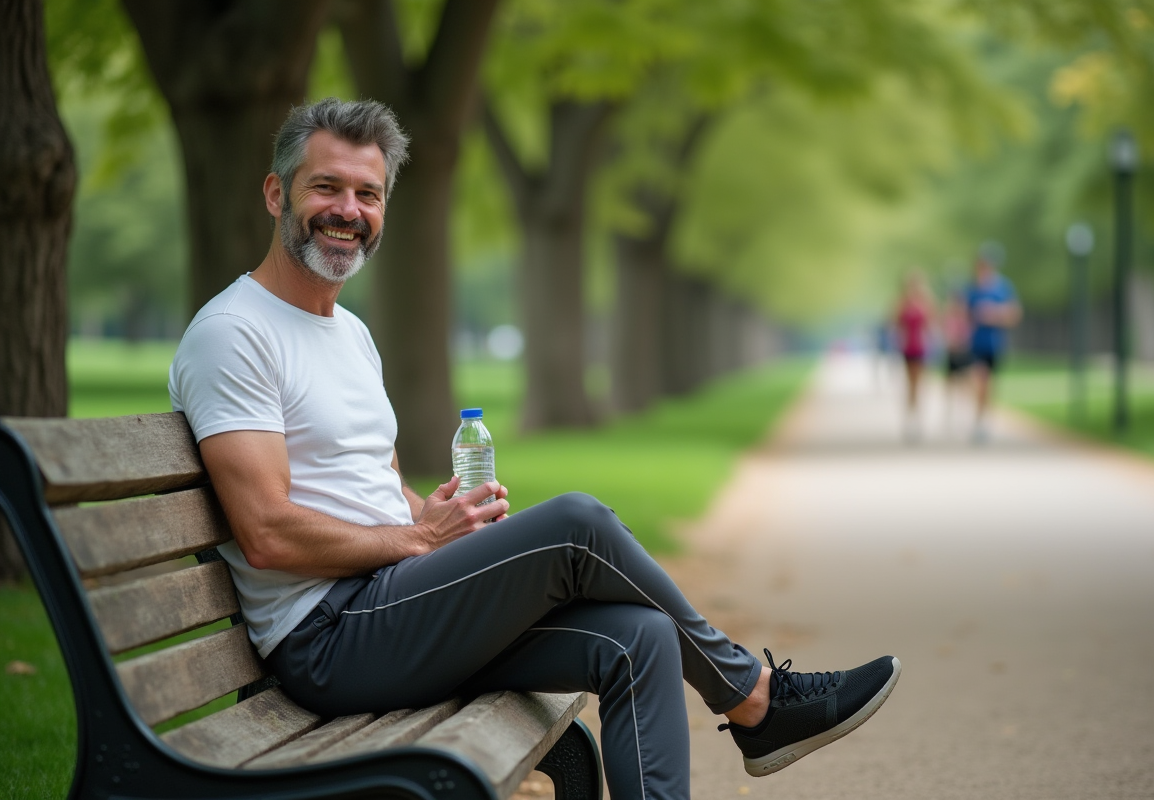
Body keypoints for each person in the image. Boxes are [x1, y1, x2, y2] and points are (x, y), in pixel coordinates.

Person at [167, 98, 900, 800]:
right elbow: (263, 532)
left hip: (387, 606)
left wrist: (445, 522)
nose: (349, 211)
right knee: (578, 523)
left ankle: (750, 708)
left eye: (369, 193)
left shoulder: (349, 334)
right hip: (327, 639)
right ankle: (758, 701)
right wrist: (420, 538)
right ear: (275, 193)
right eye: (326, 187)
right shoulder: (236, 333)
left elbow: (379, 492)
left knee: (640, 637)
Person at [963, 250, 1022, 440]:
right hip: (975, 344)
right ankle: (979, 418)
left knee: (989, 385)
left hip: (995, 344)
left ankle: (983, 419)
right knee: (979, 380)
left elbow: (1014, 315)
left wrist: (993, 314)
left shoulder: (1003, 287)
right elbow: (964, 316)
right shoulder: (972, 289)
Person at [894, 271, 932, 438]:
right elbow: (895, 323)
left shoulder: (927, 303)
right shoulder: (902, 303)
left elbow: (931, 324)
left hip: (921, 347)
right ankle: (910, 420)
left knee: (918, 384)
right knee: (910, 385)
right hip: (907, 348)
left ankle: (917, 420)